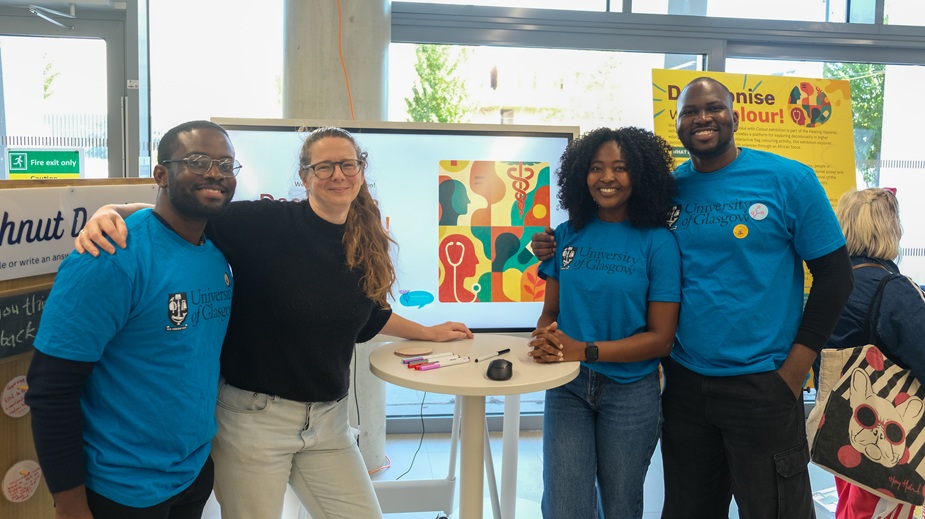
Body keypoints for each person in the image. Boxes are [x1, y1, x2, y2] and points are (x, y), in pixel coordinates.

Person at [75, 126, 473, 519]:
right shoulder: (265, 223)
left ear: (361, 170)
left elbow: (368, 313)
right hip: (255, 422)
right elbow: (181, 212)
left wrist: (428, 332)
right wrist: (114, 211)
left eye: (348, 165)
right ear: (304, 176)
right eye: (325, 166)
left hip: (329, 424)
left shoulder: (365, 237)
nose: (338, 175)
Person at [533, 77, 854, 518]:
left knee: (775, 510)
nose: (702, 118)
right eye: (689, 112)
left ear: (734, 116)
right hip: (684, 385)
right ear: (678, 126)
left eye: (714, 107)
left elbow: (836, 277)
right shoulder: (667, 190)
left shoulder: (789, 180)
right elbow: (616, 237)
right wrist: (552, 246)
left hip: (762, 382)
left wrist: (794, 371)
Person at [25, 120, 238, 518]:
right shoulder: (110, 254)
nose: (215, 172)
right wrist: (69, 502)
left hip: (192, 472)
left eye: (226, 165)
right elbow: (50, 388)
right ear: (161, 174)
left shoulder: (216, 254)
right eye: (198, 160)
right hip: (119, 487)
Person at [528, 127, 680, 518]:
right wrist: (546, 334)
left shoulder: (658, 243)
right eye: (596, 168)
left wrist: (586, 350)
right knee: (565, 507)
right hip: (567, 386)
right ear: (582, 175)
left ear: (640, 175)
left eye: (620, 168)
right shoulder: (566, 235)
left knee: (619, 507)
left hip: (631, 393)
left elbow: (661, 339)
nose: (607, 177)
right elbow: (551, 312)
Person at [826, 187, 925, 519]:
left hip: (842, 428)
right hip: (892, 438)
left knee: (851, 507)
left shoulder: (833, 284)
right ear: (890, 228)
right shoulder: (893, 290)